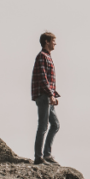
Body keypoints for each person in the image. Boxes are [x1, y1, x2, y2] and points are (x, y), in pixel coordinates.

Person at [31, 31, 60, 165]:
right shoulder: (42, 56)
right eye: (53, 41)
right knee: (43, 126)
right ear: (46, 42)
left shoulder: (47, 56)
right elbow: (43, 79)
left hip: (48, 96)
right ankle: (39, 157)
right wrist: (50, 94)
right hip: (44, 96)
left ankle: (47, 154)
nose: (55, 43)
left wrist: (53, 94)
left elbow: (47, 79)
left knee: (55, 125)